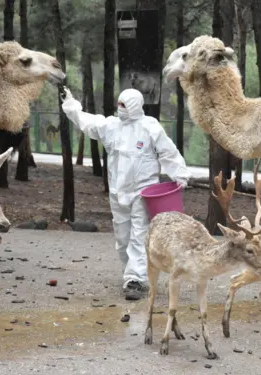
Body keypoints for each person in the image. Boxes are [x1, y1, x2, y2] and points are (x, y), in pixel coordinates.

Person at [61, 87, 190, 301]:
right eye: (118, 104)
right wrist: (70, 104)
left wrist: (180, 174)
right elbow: (86, 121)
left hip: (143, 192)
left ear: (134, 106)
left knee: (139, 235)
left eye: (123, 105)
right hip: (117, 192)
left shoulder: (149, 127)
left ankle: (136, 279)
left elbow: (168, 151)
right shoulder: (111, 126)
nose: (119, 108)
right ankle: (129, 273)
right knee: (122, 238)